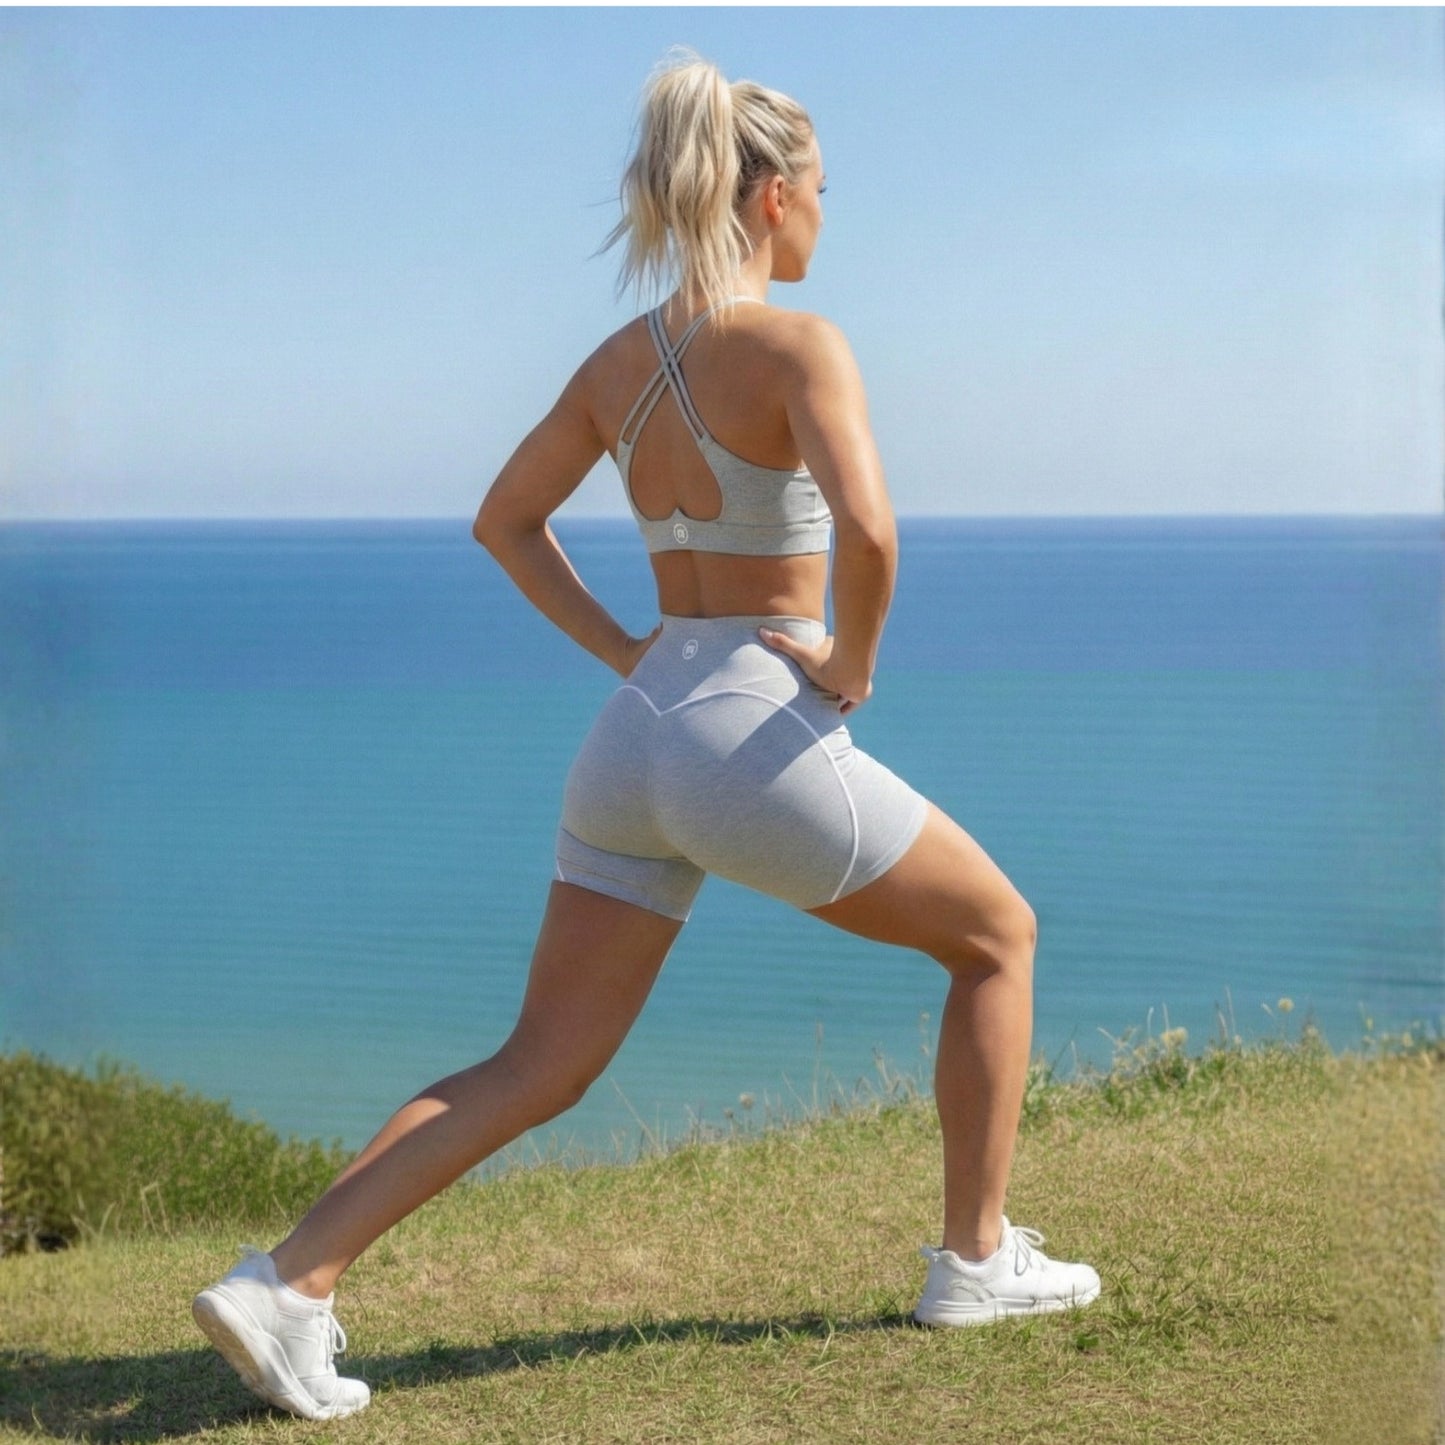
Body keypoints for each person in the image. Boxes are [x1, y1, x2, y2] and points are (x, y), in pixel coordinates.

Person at [192, 52, 1099, 1422]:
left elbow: (505, 521)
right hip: (752, 729)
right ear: (777, 196)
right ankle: (973, 1259)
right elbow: (868, 529)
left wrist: (628, 648)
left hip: (635, 731)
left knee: (536, 1060)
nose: (821, 220)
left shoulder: (617, 364)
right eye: (822, 195)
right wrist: (848, 665)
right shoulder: (799, 345)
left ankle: (288, 1279)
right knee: (996, 936)